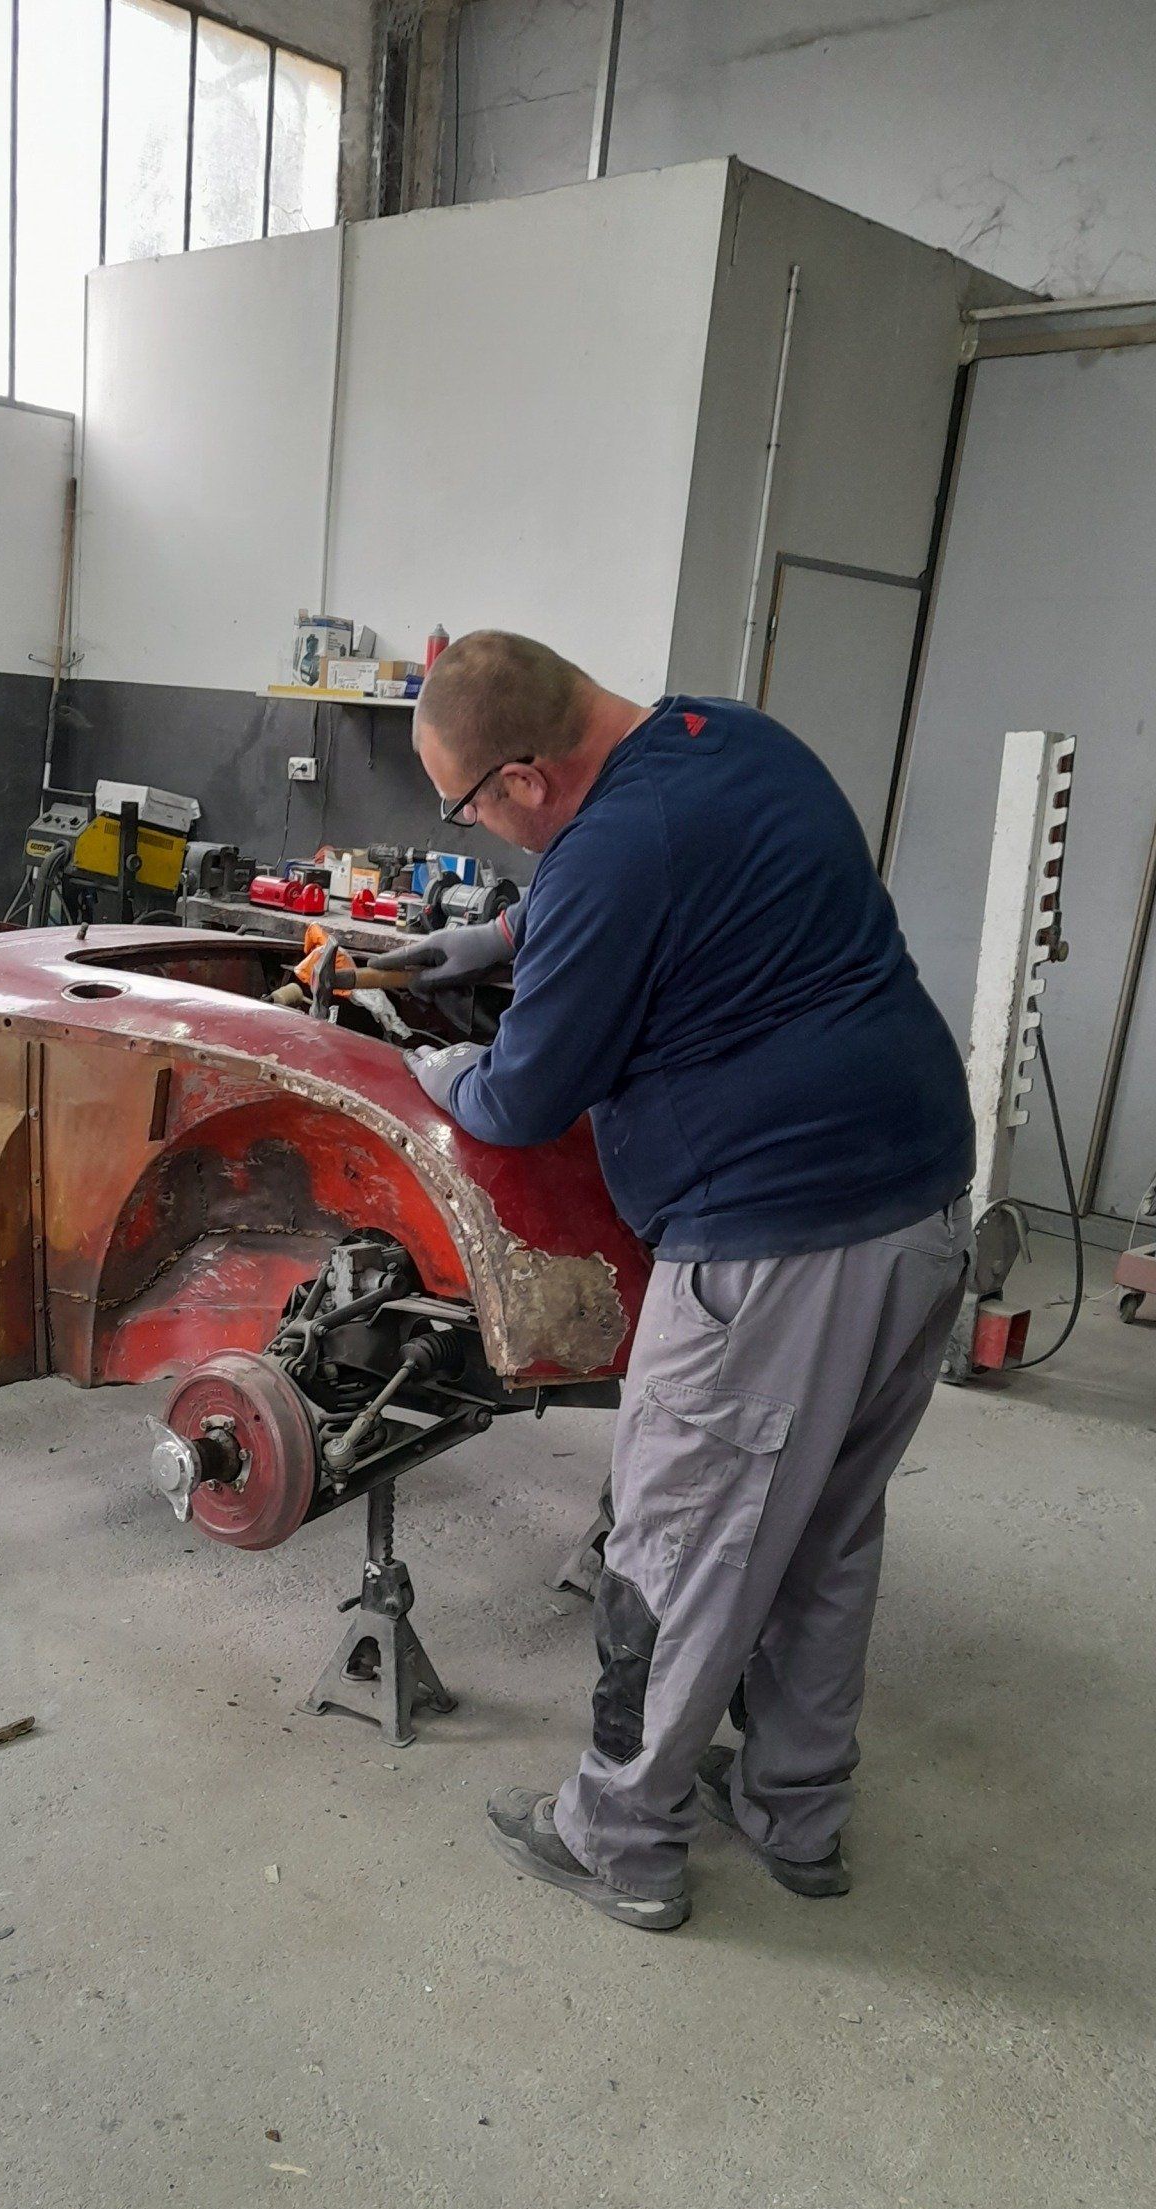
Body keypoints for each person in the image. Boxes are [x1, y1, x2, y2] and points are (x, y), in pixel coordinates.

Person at [394, 630, 973, 1935]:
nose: (478, 828)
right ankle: (795, 1812)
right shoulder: (731, 737)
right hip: (920, 1202)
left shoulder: (603, 848)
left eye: (468, 807)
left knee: (676, 1543)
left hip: (777, 1245)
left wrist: (435, 1076)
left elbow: (527, 1098)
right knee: (821, 1531)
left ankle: (618, 1836)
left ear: (527, 777)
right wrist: (494, 939)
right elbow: (671, 875)